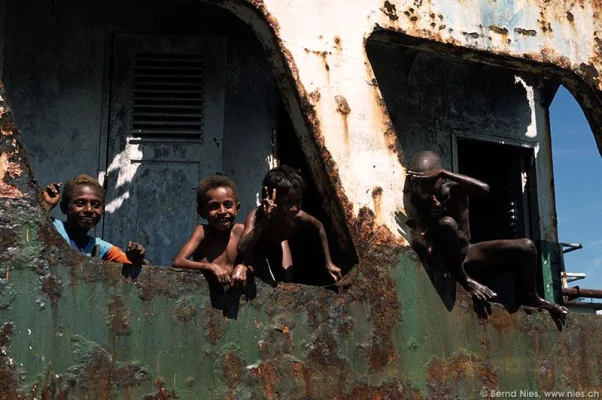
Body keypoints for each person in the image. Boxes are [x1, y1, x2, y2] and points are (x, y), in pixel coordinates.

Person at [405, 150, 568, 318]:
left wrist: (445, 172)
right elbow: (427, 235)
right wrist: (433, 219)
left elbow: (484, 189)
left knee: (527, 246)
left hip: (466, 252)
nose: (421, 189)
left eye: (426, 183)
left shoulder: (454, 189)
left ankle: (530, 297)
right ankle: (466, 280)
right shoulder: (417, 200)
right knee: (447, 223)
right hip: (447, 261)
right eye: (416, 183)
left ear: (440, 178)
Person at [237, 165, 343, 285]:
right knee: (265, 281)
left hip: (279, 244)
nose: (294, 208)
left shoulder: (298, 217)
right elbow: (242, 247)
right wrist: (264, 221)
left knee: (287, 282)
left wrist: (328, 262)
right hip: (258, 251)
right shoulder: (256, 216)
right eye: (287, 202)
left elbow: (319, 227)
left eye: (298, 202)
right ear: (271, 198)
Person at [172, 174, 252, 318]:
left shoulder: (241, 231)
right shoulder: (202, 232)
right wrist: (211, 267)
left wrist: (243, 267)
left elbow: (257, 265)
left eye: (228, 205)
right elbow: (179, 261)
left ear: (237, 207)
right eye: (214, 206)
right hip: (203, 307)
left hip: (237, 309)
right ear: (201, 212)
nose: (222, 212)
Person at [40, 174, 146, 265]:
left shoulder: (99, 247)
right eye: (81, 203)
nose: (89, 210)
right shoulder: (52, 227)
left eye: (96, 205)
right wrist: (45, 205)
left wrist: (137, 260)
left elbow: (142, 270)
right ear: (64, 207)